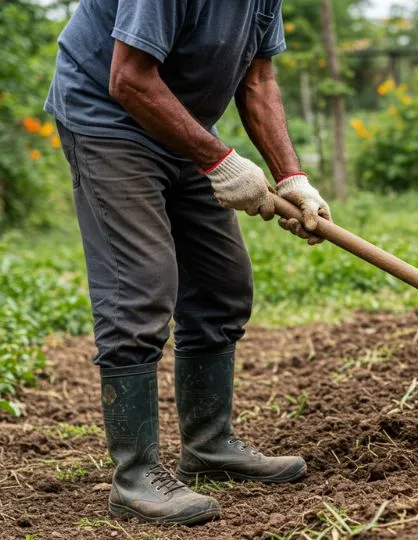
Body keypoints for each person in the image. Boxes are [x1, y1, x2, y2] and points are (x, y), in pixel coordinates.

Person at [44, 0, 328, 525]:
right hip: (110, 122)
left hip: (178, 122)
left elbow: (258, 78)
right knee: (141, 289)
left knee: (222, 287)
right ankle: (134, 479)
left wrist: (291, 176)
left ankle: (209, 447)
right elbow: (128, 79)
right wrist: (220, 161)